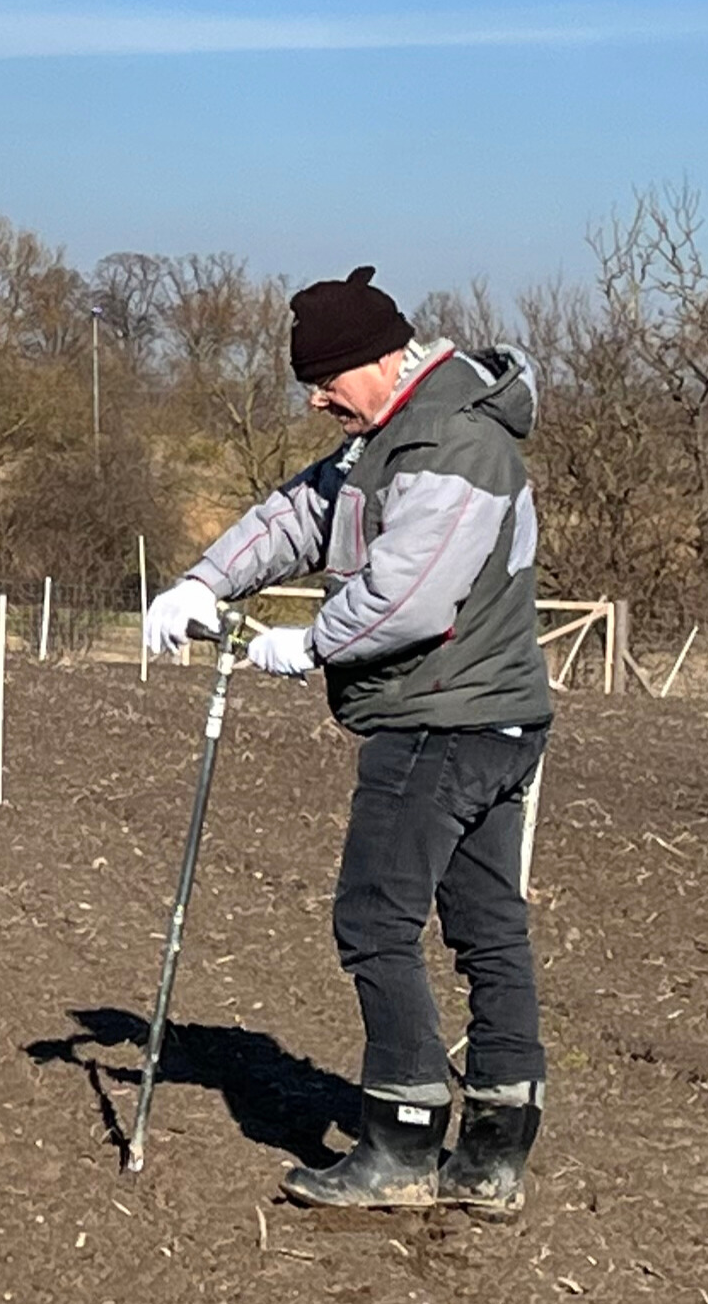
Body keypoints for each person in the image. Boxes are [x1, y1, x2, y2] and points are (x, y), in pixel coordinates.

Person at [141, 266, 553, 1214]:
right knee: (488, 925)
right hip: (473, 713)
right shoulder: (386, 440)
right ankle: (494, 1151)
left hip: (443, 718)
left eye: (325, 380)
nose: (318, 399)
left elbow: (411, 593)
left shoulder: (456, 444)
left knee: (374, 921)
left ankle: (405, 1143)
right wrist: (207, 583)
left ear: (380, 359)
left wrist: (307, 645)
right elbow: (298, 515)